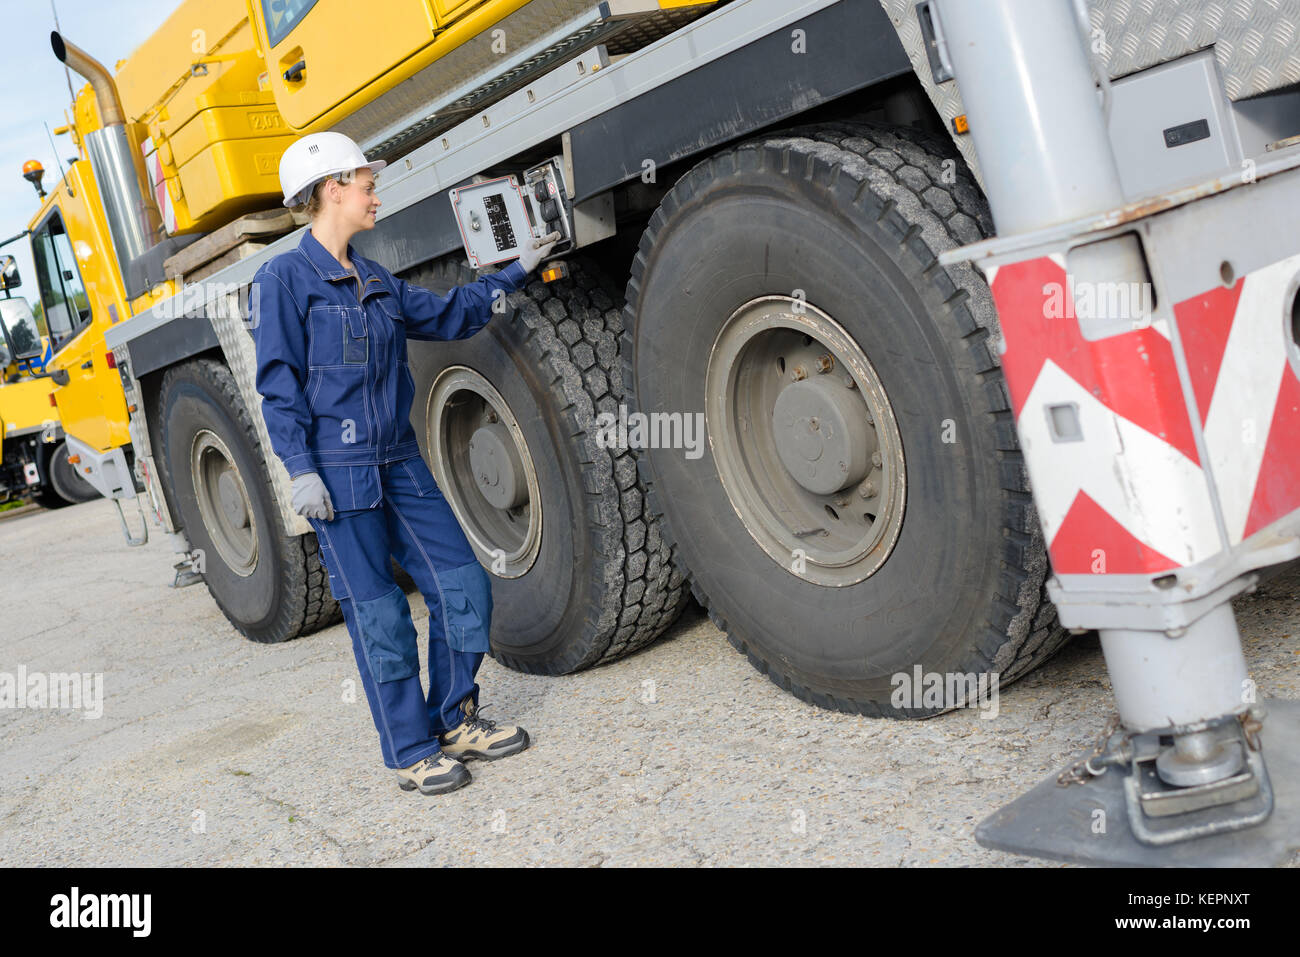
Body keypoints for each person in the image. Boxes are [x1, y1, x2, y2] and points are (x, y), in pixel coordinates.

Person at [250, 131, 558, 795]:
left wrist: (514, 271)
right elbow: (277, 383)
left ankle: (454, 717)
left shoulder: (375, 277)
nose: (374, 193)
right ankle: (410, 748)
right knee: (381, 615)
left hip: (400, 461)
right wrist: (299, 466)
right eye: (365, 182)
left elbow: (449, 315)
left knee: (463, 583)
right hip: (338, 474)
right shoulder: (282, 278)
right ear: (331, 188)